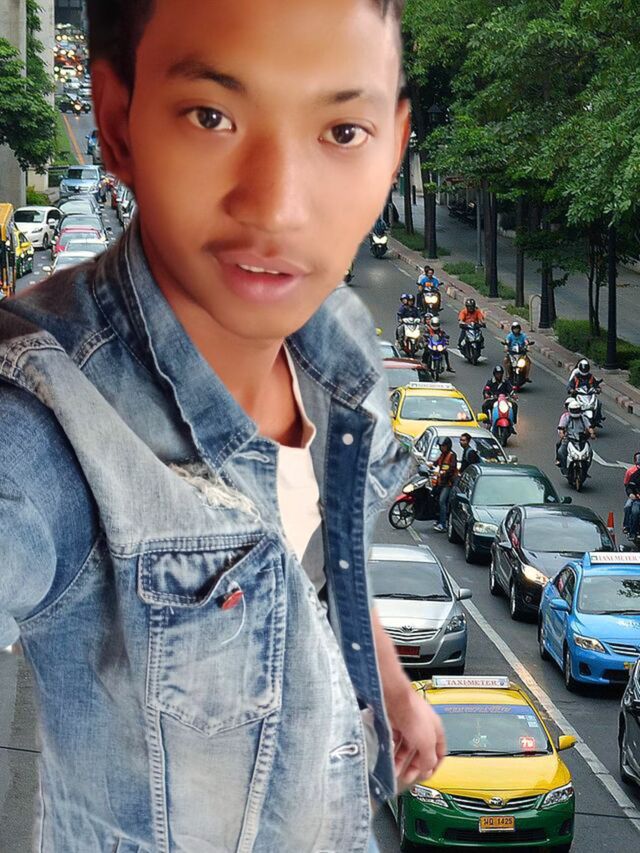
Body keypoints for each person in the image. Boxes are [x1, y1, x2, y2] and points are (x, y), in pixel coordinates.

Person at [0, 2, 445, 852]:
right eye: (212, 116)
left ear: (392, 146)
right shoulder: (50, 416)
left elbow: (318, 571)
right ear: (117, 124)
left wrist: (391, 690)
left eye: (341, 131)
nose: (277, 208)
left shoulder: (339, 349)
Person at [556, 398, 593, 473]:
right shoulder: (566, 417)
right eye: (574, 410)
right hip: (569, 439)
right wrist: (562, 435)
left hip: (581, 439)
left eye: (577, 410)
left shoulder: (583, 418)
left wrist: (592, 433)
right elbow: (561, 428)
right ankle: (564, 467)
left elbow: (589, 427)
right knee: (561, 451)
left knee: (590, 452)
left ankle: (585, 469)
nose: (575, 412)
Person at [432, 437, 458, 532]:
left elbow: (452, 469)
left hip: (448, 483)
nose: (442, 448)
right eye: (440, 446)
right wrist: (430, 465)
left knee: (442, 501)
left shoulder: (452, 455)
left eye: (443, 446)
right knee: (435, 498)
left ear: (448, 446)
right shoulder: (442, 455)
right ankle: (438, 519)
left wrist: (443, 473)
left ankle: (443, 524)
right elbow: (436, 463)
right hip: (441, 482)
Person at [623, 452, 640, 538]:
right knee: (633, 510)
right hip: (637, 498)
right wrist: (631, 494)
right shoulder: (633, 474)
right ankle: (630, 530)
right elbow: (628, 486)